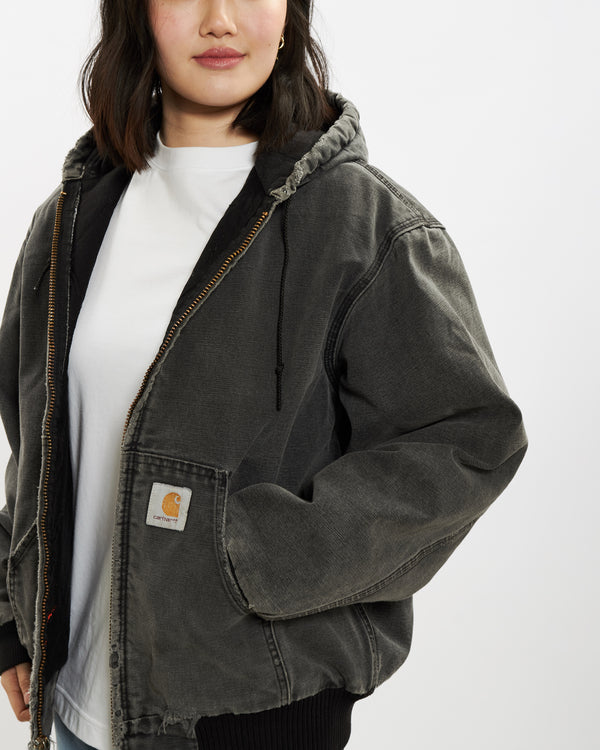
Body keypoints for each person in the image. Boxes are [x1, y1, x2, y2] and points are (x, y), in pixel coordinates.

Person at [0, 0, 527, 748]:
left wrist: (249, 556)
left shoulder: (364, 224)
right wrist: (10, 613)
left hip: (255, 711)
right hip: (75, 709)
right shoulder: (70, 218)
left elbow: (467, 440)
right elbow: (39, 442)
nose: (221, 19)